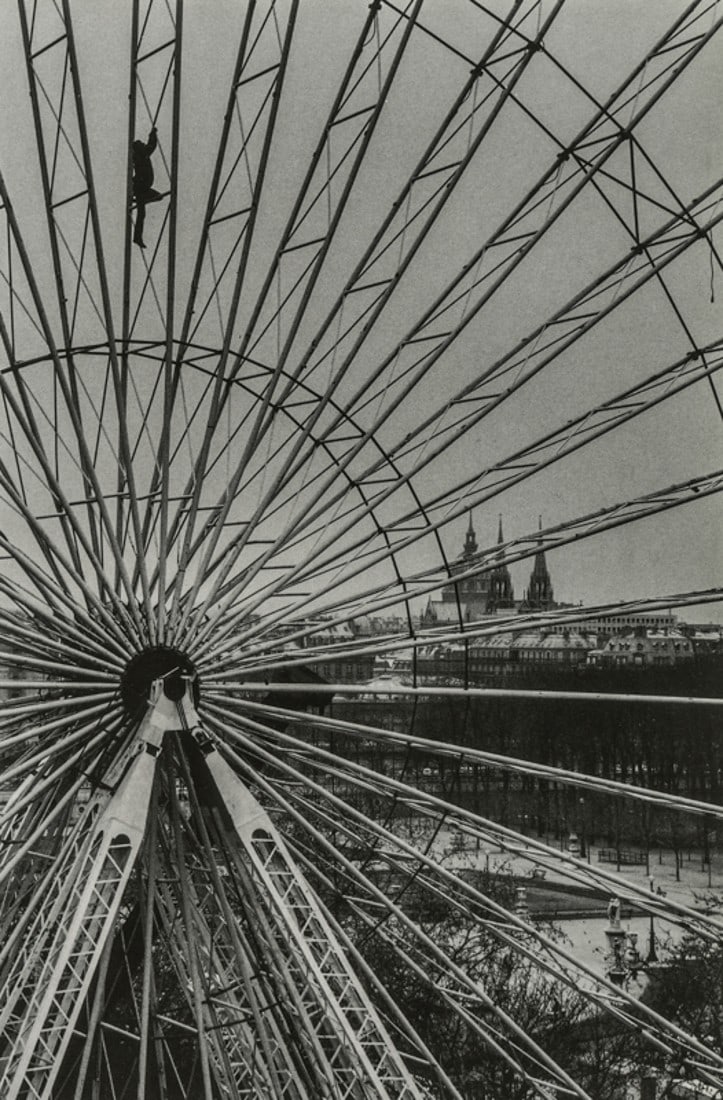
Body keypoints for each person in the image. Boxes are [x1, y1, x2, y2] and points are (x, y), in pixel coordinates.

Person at [132, 127, 166, 248]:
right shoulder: (141, 155)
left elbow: (150, 145)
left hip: (143, 187)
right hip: (141, 187)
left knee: (158, 197)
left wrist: (152, 133)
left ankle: (136, 200)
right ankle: (137, 237)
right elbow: (151, 146)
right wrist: (153, 134)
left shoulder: (140, 155)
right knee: (142, 213)